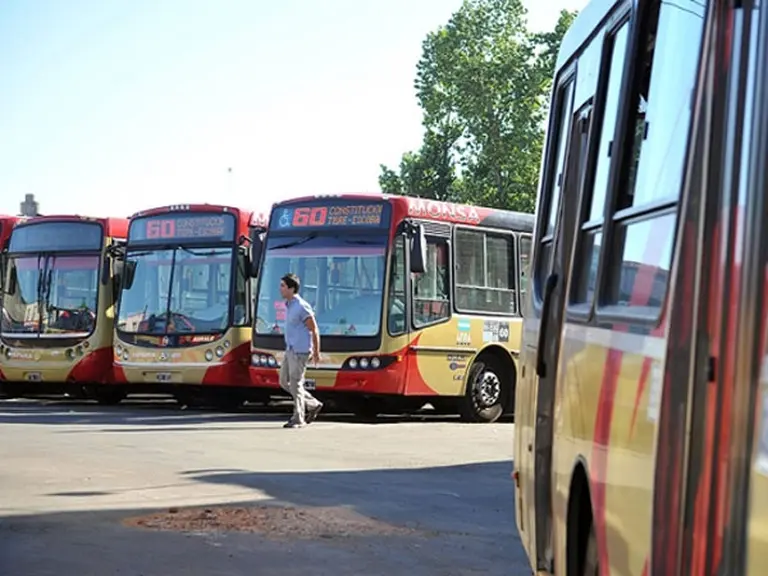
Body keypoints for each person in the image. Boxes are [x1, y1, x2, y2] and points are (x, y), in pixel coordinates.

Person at [278, 273, 323, 428]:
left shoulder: (301, 306)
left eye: (283, 286)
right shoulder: (289, 305)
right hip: (290, 349)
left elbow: (314, 329)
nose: (280, 289)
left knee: (296, 383)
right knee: (284, 382)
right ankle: (313, 403)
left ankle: (298, 418)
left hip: (300, 351)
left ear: (291, 288)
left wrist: (317, 352)